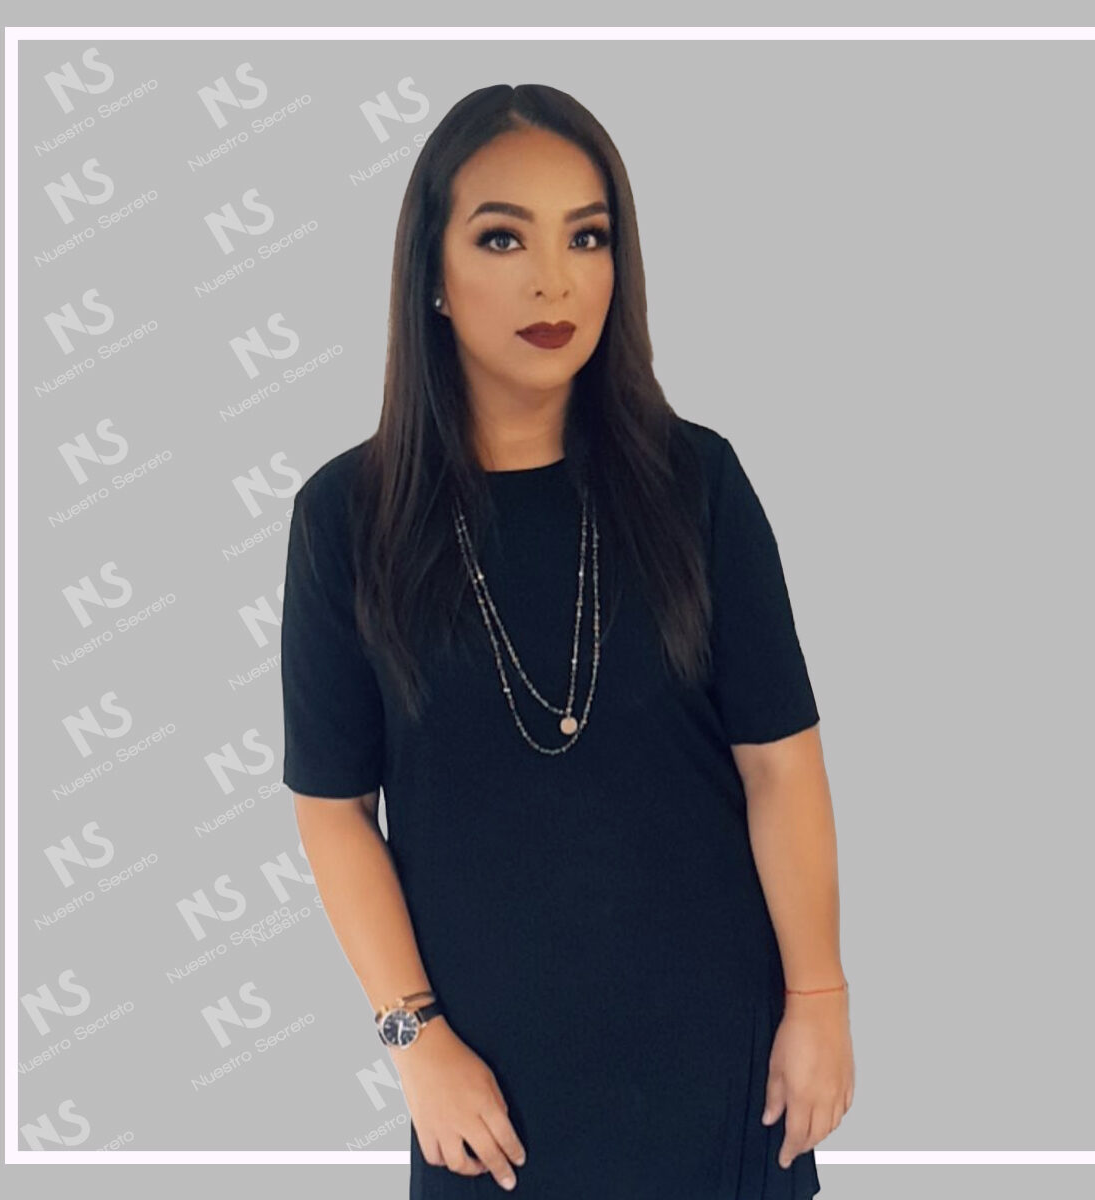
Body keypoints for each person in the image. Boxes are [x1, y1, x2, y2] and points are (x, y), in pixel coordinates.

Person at [280, 83, 854, 1199]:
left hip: (722, 1063)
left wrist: (819, 999)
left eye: (586, 237)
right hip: (487, 1099)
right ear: (431, 274)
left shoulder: (698, 484)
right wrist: (417, 1042)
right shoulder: (346, 518)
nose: (554, 280)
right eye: (504, 237)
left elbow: (781, 764)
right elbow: (333, 808)